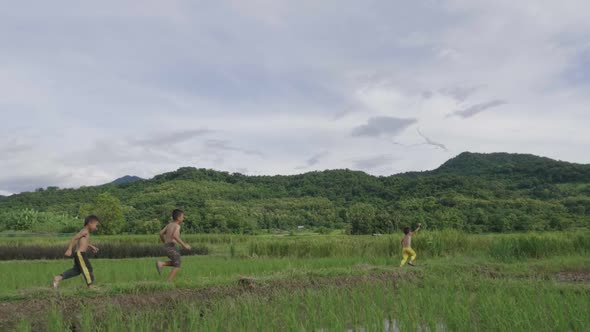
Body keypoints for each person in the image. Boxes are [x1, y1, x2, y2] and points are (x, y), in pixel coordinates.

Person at [53, 215, 100, 289]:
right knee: (87, 269)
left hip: (80, 254)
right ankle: (90, 285)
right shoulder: (84, 231)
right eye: (95, 225)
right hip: (80, 254)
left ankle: (58, 278)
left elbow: (85, 242)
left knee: (76, 271)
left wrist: (92, 247)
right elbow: (73, 238)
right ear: (90, 223)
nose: (96, 228)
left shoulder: (86, 232)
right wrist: (69, 249)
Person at [156, 209, 191, 282]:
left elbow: (161, 233)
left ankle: (162, 263)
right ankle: (168, 282)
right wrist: (184, 245)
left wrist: (164, 242)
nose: (183, 218)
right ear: (178, 218)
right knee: (177, 265)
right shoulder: (177, 226)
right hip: (171, 247)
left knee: (177, 262)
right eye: (182, 217)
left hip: (166, 247)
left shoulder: (169, 224)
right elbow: (175, 235)